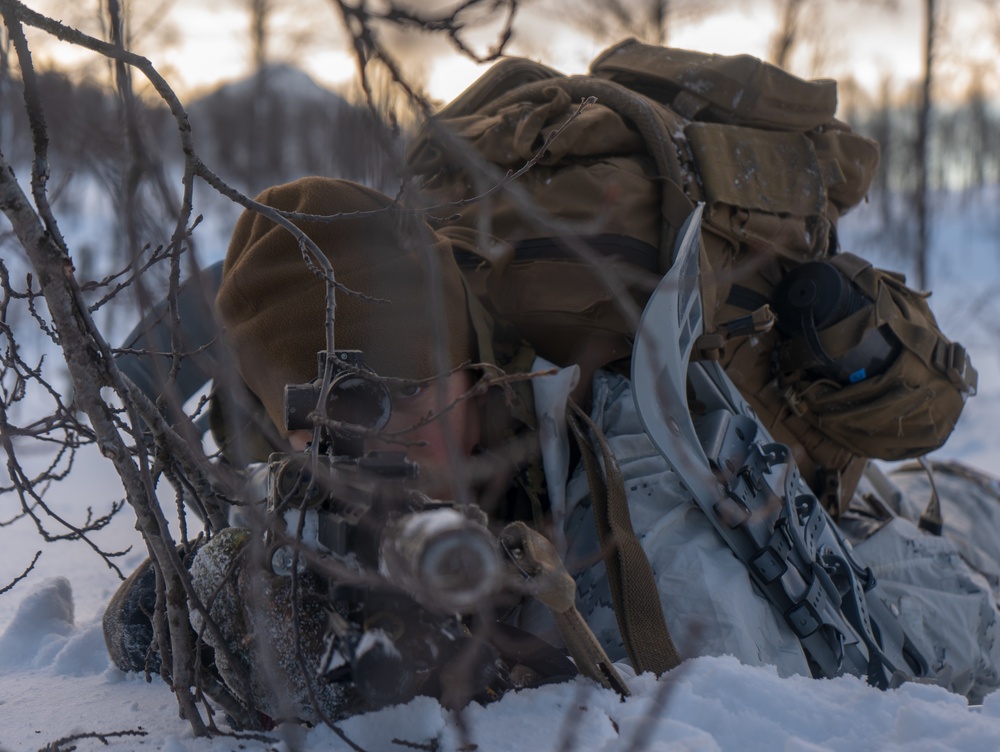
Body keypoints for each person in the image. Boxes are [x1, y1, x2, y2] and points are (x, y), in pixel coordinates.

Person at [104, 174, 1000, 727]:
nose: (371, 451)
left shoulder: (633, 490)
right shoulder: (306, 440)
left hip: (912, 530)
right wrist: (188, 602)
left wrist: (501, 666)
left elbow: (874, 676)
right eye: (322, 423)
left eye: (404, 401)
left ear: (474, 373)